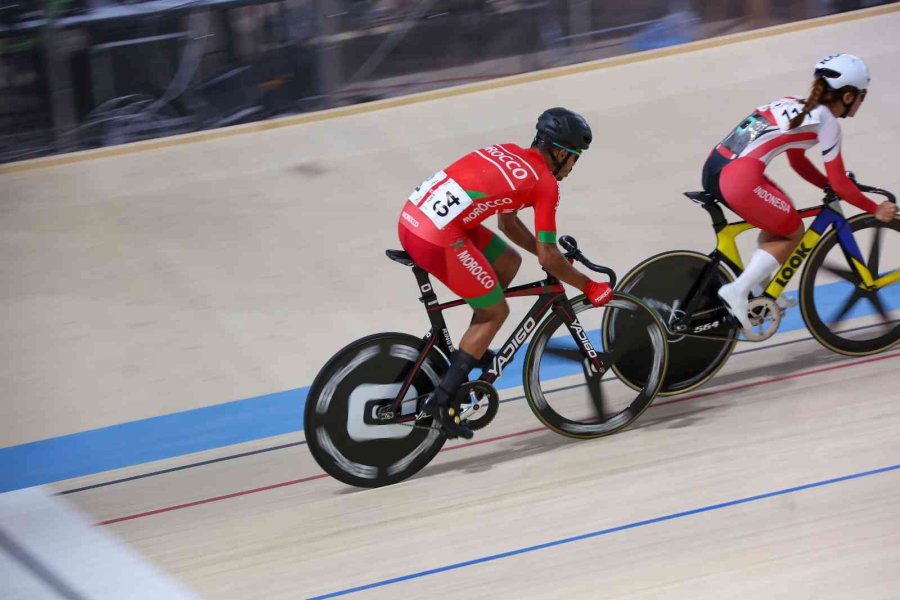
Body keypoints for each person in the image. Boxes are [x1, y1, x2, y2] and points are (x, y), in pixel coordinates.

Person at [396, 107, 613, 439]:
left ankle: (468, 355)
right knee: (495, 311)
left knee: (508, 262)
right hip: (436, 235)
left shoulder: (510, 152)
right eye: (574, 159)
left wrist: (546, 255)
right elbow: (549, 256)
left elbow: (507, 223)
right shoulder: (545, 184)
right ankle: (442, 402)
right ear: (559, 152)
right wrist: (589, 284)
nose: (572, 168)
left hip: (416, 217)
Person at [701, 53, 897, 332]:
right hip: (739, 178)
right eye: (862, 96)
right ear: (849, 95)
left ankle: (756, 288)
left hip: (717, 167)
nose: (861, 102)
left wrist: (824, 185)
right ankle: (738, 290)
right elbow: (841, 183)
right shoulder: (828, 121)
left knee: (782, 219)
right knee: (793, 230)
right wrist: (874, 209)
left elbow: (798, 161)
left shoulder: (795, 103)